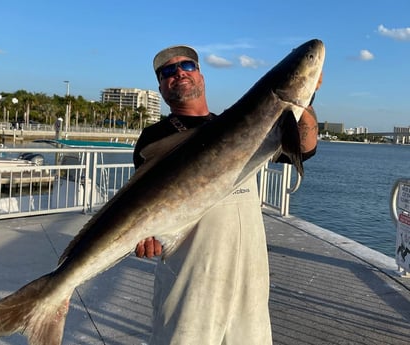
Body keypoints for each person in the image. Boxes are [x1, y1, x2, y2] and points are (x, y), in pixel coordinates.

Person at [133, 45, 321, 345]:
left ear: (201, 76)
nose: (179, 72)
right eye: (168, 71)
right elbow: (142, 209)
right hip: (189, 282)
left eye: (187, 66)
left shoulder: (245, 123)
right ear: (161, 87)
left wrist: (305, 100)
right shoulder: (156, 139)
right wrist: (147, 236)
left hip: (250, 279)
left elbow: (305, 147)